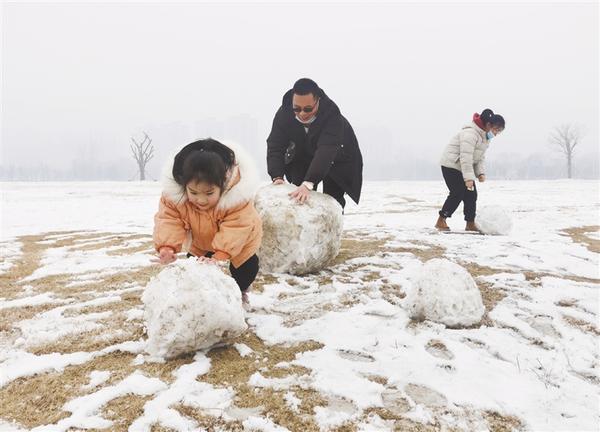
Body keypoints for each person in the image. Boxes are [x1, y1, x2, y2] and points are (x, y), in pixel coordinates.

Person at [153, 138, 262, 304]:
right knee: (197, 269)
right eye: (193, 192)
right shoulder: (174, 198)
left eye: (209, 193)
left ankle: (239, 291)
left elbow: (236, 228)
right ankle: (204, 300)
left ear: (224, 184)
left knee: (246, 269)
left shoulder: (237, 199)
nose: (201, 200)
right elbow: (169, 220)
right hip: (201, 241)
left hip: (239, 242)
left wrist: (220, 256)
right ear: (183, 185)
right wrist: (167, 247)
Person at [266, 78, 363, 209]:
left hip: (337, 157)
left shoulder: (332, 115)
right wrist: (277, 176)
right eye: (297, 109)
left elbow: (326, 151)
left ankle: (335, 220)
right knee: (298, 196)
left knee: (333, 201)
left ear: (318, 101)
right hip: (303, 155)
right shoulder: (284, 113)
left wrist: (309, 183)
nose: (301, 113)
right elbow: (275, 145)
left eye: (308, 109)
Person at [436, 109, 506, 231]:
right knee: (458, 192)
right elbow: (466, 157)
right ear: (488, 125)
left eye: (499, 131)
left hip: (463, 167)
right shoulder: (470, 134)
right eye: (496, 129)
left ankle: (470, 223)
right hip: (451, 165)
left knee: (471, 195)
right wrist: (468, 179)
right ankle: (441, 220)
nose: (496, 133)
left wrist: (480, 173)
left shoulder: (485, 137)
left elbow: (479, 157)